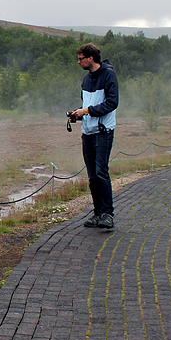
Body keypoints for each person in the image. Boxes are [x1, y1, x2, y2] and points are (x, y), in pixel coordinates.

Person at [69, 43, 119, 230]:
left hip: (104, 131)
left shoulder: (108, 75)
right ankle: (98, 214)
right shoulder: (86, 80)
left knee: (101, 173)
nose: (78, 62)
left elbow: (112, 103)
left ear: (91, 58)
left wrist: (87, 111)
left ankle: (107, 214)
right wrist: (78, 114)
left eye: (81, 58)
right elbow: (88, 104)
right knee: (92, 176)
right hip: (88, 132)